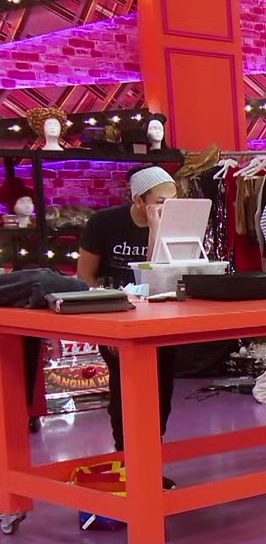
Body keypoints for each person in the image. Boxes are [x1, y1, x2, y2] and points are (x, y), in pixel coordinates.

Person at [77, 166, 180, 456]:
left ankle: (152, 454)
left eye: (173, 202)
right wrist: (105, 320)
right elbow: (85, 276)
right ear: (138, 200)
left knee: (162, 389)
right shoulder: (104, 223)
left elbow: (160, 272)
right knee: (125, 390)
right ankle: (127, 456)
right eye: (160, 202)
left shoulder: (171, 223)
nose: (167, 208)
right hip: (114, 314)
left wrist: (157, 228)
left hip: (160, 315)